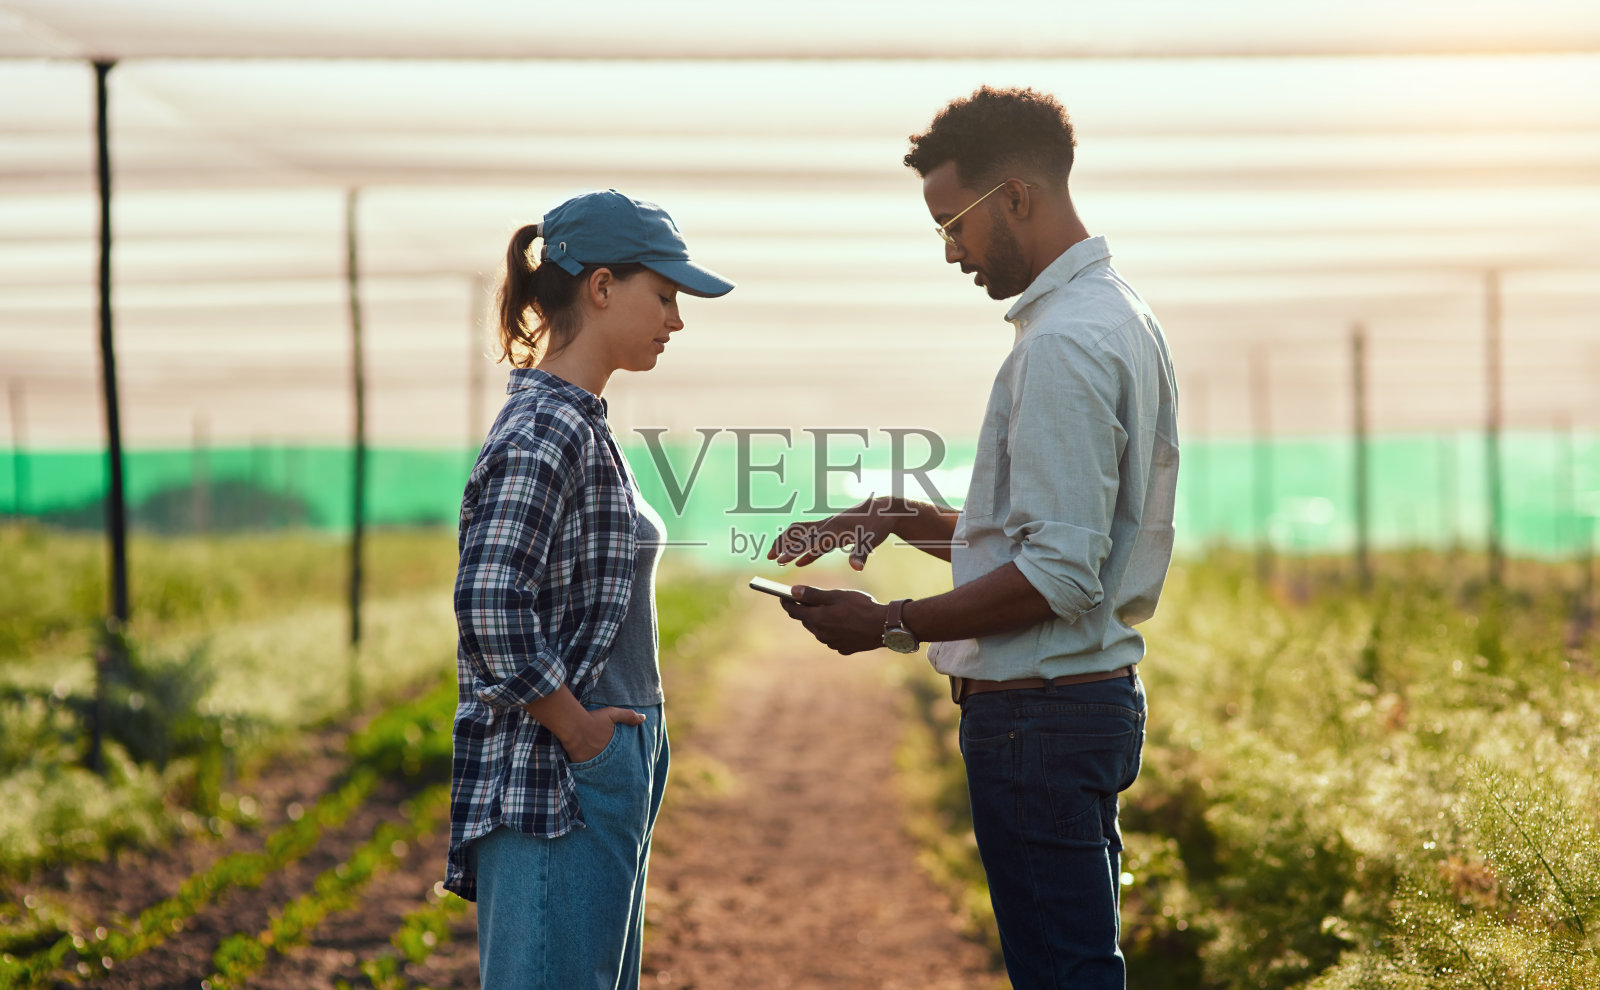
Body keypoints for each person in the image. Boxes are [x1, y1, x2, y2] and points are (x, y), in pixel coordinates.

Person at [767, 86, 1179, 989]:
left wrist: (888, 624)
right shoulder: (1117, 315)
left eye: (954, 224)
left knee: (1061, 975)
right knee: (1074, 964)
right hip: (1075, 707)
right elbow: (1061, 540)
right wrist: (897, 516)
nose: (950, 252)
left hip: (1039, 718)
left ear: (1018, 199)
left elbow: (1059, 577)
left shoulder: (1063, 345)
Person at [445, 189, 733, 990]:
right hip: (560, 774)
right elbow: (489, 603)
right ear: (601, 288)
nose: (676, 319)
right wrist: (577, 731)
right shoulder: (547, 427)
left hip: (604, 754)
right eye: (665, 295)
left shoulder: (583, 419)